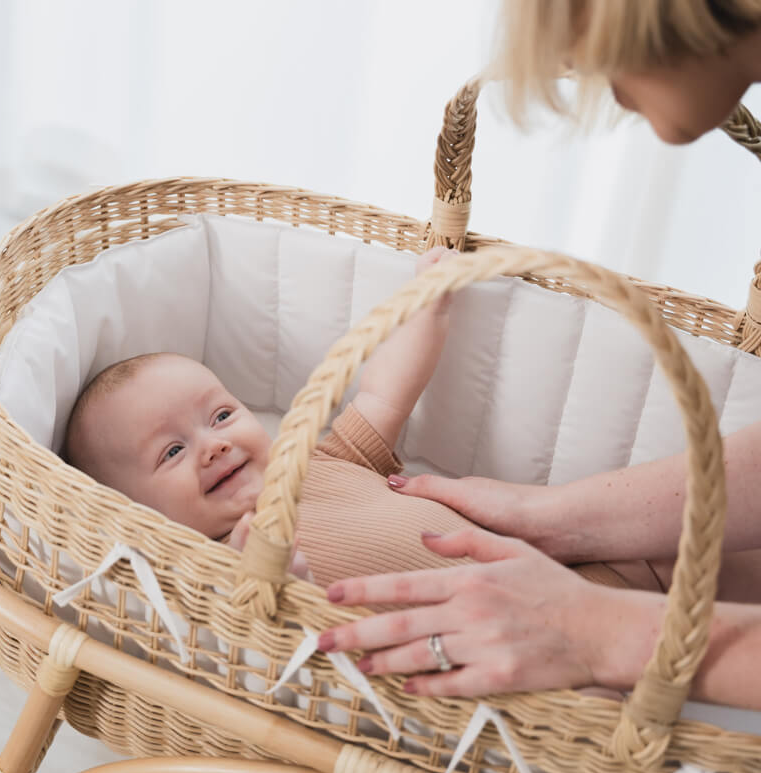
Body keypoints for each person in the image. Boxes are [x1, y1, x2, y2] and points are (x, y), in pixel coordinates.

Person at [317, 0, 761, 711]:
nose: (576, 71)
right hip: (555, 581)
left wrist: (605, 631)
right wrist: (559, 520)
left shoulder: (321, 462)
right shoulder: (259, 514)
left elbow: (378, 398)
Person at [62, 248, 656, 607]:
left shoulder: (325, 461)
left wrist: (428, 307)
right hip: (519, 664)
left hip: (581, 580)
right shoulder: (219, 570)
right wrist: (277, 587)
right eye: (171, 451)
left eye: (220, 415)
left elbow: (382, 393)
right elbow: (269, 652)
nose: (213, 444)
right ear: (133, 510)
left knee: (698, 545)